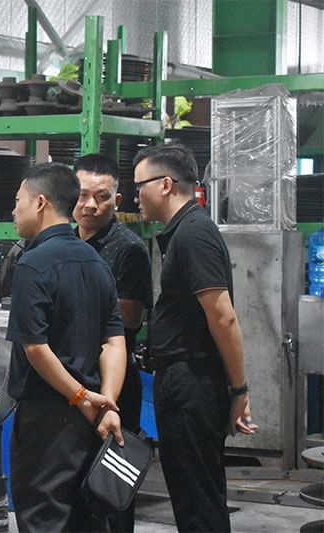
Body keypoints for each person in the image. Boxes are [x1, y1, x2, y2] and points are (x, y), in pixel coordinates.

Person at [132, 143, 258, 532]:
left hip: (192, 383)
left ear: (165, 184)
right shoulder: (185, 231)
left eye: (140, 186)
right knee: (191, 498)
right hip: (184, 380)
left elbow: (223, 317)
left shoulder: (194, 235)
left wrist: (239, 390)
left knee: (198, 502)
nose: (136, 196)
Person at [5, 162, 128, 531]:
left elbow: (36, 349)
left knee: (44, 518)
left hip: (47, 418)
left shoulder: (32, 264)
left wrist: (79, 397)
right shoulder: (96, 262)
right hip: (92, 417)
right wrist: (106, 404)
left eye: (19, 200)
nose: (14, 210)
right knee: (86, 519)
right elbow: (114, 342)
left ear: (40, 203)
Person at [72, 154, 152, 532]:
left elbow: (131, 318)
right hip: (73, 383)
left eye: (101, 197)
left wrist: (72, 302)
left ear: (116, 201)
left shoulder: (129, 248)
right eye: (82, 195)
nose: (90, 204)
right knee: (74, 486)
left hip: (115, 384)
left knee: (112, 490)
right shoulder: (63, 242)